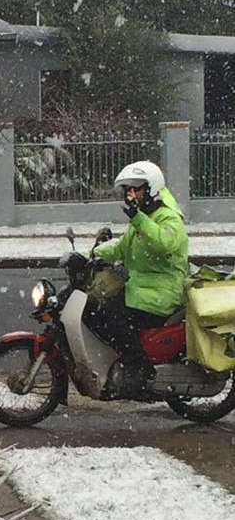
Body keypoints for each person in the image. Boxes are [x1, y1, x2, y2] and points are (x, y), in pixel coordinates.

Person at [90, 160, 189, 387]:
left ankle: (138, 368)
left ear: (151, 188)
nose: (131, 195)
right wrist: (92, 254)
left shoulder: (167, 216)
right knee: (97, 309)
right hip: (144, 288)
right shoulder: (144, 216)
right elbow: (121, 248)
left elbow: (164, 243)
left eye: (136, 189)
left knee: (111, 313)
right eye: (128, 190)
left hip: (162, 292)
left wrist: (138, 218)